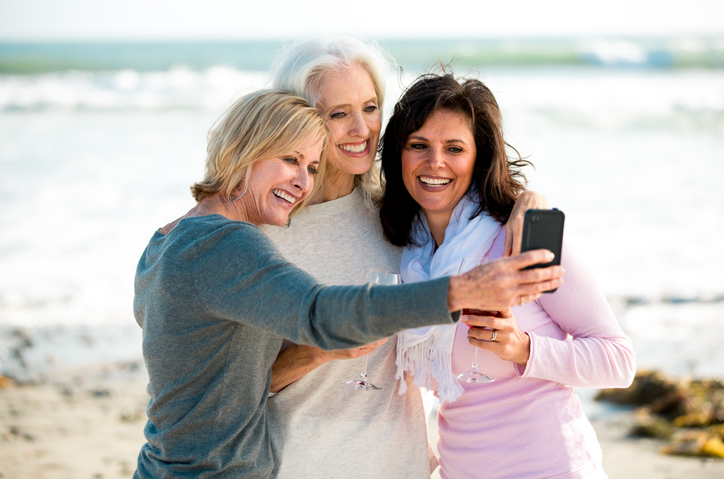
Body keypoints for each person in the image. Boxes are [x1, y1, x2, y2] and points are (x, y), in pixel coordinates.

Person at [132, 88, 564, 478]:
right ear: (245, 151)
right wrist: (463, 290)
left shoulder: (167, 240)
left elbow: (213, 377)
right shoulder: (226, 244)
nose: (302, 182)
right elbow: (318, 312)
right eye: (289, 160)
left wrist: (525, 197)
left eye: (312, 167)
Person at [263, 37, 550, 478]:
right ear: (297, 117)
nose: (362, 130)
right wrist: (318, 350)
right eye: (338, 113)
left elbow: (468, 193)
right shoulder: (266, 232)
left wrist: (531, 200)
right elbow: (235, 387)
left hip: (402, 464)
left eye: (371, 107)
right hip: (301, 463)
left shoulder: (396, 214)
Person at [379, 73, 636, 479]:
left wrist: (524, 348)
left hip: (551, 467)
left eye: (454, 148)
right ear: (398, 153)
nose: (435, 163)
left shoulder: (521, 235)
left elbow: (618, 361)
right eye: (418, 145)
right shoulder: (405, 254)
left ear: (478, 158)